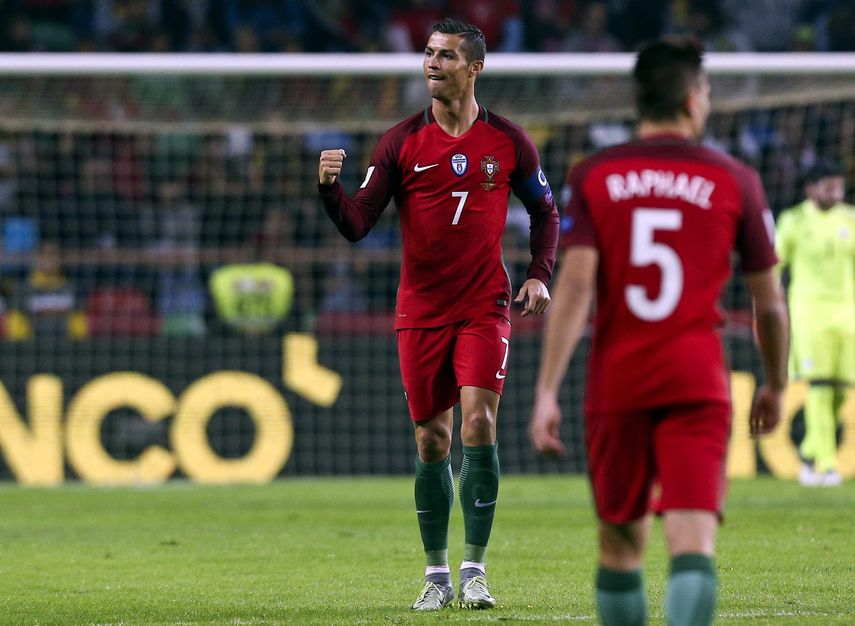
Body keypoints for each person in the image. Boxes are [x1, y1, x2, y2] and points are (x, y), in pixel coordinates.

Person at [529, 36, 788, 626]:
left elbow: (573, 287)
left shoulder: (594, 175)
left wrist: (546, 389)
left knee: (620, 548)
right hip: (697, 380)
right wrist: (774, 381)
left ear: (638, 99)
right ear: (694, 100)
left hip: (617, 382)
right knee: (692, 545)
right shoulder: (736, 179)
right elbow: (769, 304)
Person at [318, 18, 559, 611]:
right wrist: (329, 189)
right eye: (428, 53)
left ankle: (475, 569)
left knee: (478, 426)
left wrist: (538, 274)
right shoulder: (400, 142)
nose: (432, 63)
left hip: (484, 305)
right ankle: (436, 575)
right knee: (432, 440)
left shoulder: (509, 141)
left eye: (446, 56)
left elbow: (547, 212)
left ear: (474, 67)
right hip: (420, 310)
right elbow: (356, 224)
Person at [776, 158, 855, 487]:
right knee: (820, 385)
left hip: (847, 314)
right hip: (810, 313)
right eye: (829, 186)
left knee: (842, 389)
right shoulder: (793, 220)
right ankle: (825, 464)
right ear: (811, 189)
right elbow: (775, 265)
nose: (836, 192)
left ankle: (809, 451)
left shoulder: (850, 218)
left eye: (839, 186)